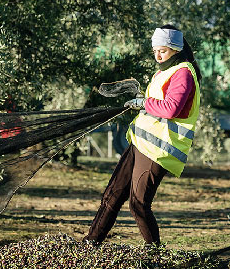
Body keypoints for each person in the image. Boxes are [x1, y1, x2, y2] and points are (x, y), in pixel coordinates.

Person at [84, 25, 201, 245]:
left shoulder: (183, 72)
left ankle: (155, 253)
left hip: (159, 149)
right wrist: (143, 101)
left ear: (175, 49)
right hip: (142, 141)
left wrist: (143, 103)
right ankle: (90, 243)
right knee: (112, 195)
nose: (157, 55)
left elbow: (171, 108)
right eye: (155, 50)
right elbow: (157, 104)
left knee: (138, 204)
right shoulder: (163, 71)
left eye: (163, 51)